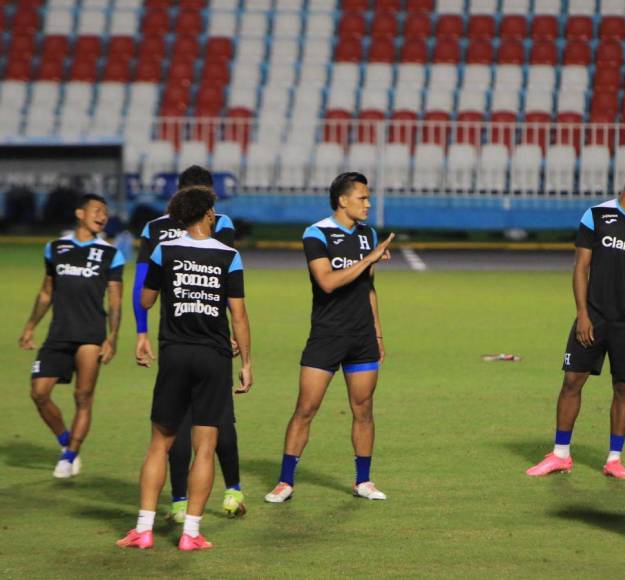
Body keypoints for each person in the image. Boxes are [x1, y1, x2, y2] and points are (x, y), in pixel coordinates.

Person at [117, 186, 252, 551]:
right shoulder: (229, 255)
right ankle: (191, 533)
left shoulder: (166, 249)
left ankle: (143, 530)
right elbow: (237, 314)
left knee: (159, 444)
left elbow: (146, 299)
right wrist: (248, 363)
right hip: (214, 357)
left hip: (175, 353)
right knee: (205, 447)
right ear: (208, 214)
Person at [526, 155, 625, 479]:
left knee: (624, 388)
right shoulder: (597, 215)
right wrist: (582, 314)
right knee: (572, 381)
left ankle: (614, 459)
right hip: (595, 315)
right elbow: (581, 268)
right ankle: (560, 454)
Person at [264, 172, 395, 503]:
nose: (368, 203)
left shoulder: (368, 235)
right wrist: (370, 258)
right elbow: (327, 282)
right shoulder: (316, 233)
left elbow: (369, 287)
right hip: (326, 335)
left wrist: (378, 332)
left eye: (368, 197)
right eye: (362, 197)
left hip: (362, 336)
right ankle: (285, 481)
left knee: (363, 409)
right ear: (343, 200)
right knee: (306, 408)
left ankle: (363, 481)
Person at [19, 194, 124, 479]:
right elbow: (46, 292)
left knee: (83, 396)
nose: (102, 216)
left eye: (106, 212)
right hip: (58, 333)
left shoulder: (111, 253)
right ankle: (65, 440)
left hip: (91, 334)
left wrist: (112, 337)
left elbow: (115, 301)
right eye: (97, 210)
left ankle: (70, 456)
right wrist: (30, 326)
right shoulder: (55, 248)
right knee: (39, 393)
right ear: (80, 212)